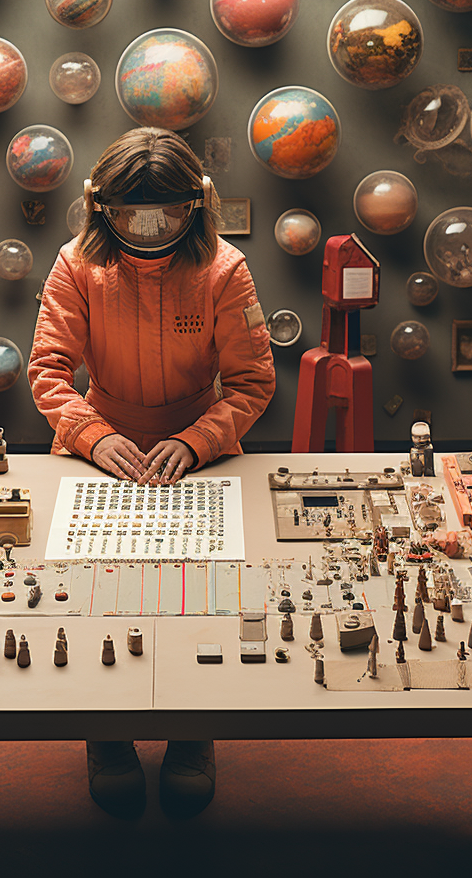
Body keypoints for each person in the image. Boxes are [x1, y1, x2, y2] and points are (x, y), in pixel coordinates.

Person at [28, 127, 275, 817]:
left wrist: (197, 442)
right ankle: (105, 735)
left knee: (204, 595)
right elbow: (49, 371)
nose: (146, 229)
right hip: (99, 448)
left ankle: (194, 734)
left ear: (195, 206)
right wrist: (90, 434)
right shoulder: (77, 263)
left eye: (163, 215)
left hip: (196, 450)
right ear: (98, 207)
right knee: (90, 596)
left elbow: (253, 382)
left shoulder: (224, 270)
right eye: (129, 215)